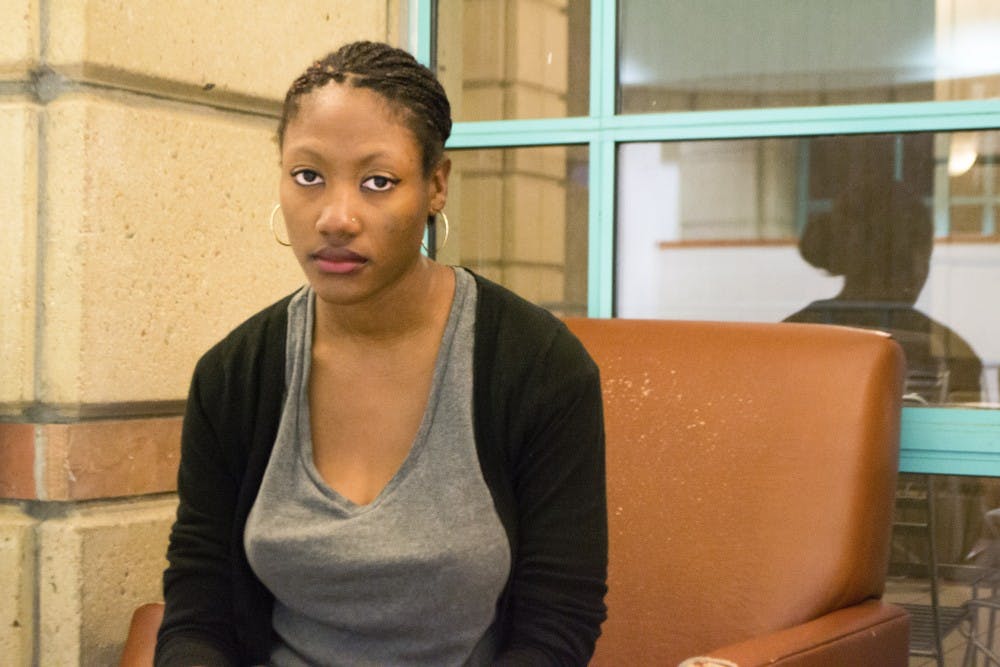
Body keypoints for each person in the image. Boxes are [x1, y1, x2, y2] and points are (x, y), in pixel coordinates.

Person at [155, 41, 608, 666]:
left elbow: (558, 623)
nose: (336, 218)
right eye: (308, 176)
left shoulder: (538, 366)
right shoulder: (235, 375)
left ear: (436, 186)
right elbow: (197, 611)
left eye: (378, 182)